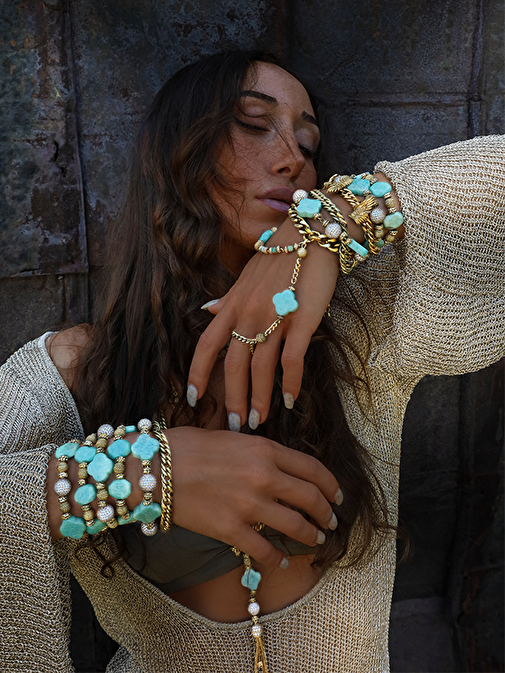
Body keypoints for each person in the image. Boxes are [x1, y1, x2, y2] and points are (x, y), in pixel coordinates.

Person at [0, 50, 503, 673]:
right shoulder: (76, 372)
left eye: (308, 144)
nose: (293, 159)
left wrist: (342, 218)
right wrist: (133, 475)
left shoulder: (363, 323)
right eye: (254, 124)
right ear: (176, 154)